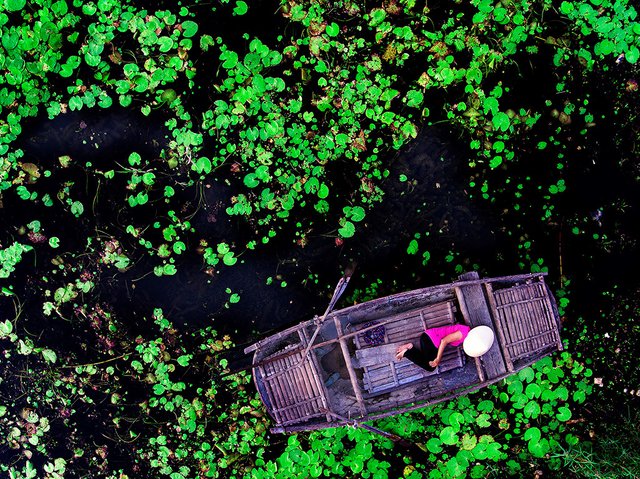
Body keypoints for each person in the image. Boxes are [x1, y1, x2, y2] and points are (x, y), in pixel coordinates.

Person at [395, 324, 494, 371]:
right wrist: (438, 358)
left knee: (427, 361)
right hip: (430, 340)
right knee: (430, 367)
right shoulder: (463, 334)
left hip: (429, 340)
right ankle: (407, 352)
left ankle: (410, 348)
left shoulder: (466, 332)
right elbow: (444, 341)